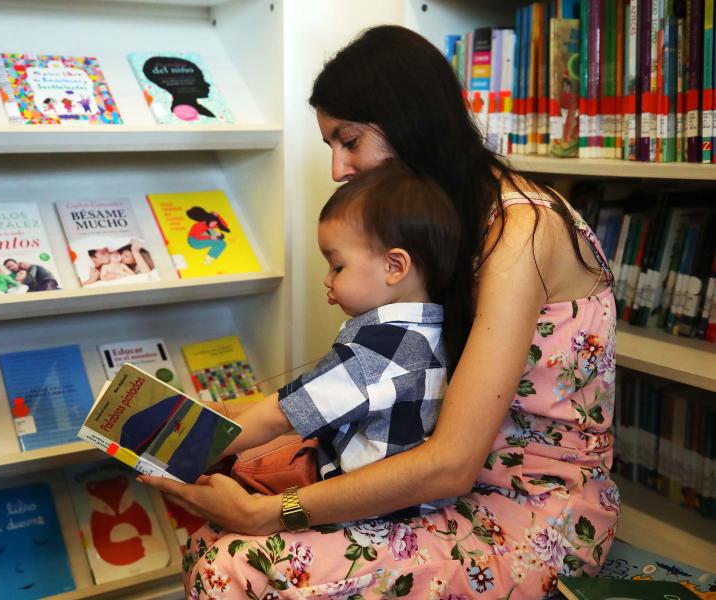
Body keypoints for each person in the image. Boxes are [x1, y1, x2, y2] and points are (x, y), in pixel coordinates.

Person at [141, 25, 618, 599]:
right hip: (440, 490)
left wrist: (275, 513)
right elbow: (371, 384)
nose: (339, 168)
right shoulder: (438, 222)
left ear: (411, 121)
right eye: (331, 146)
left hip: (527, 511)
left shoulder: (520, 230)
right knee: (219, 517)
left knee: (234, 562)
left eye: (350, 141)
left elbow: (451, 464)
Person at [221, 164, 459, 515]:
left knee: (229, 478)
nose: (327, 280)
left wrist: (201, 447)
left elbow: (279, 414)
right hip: (419, 502)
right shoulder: (436, 330)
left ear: (394, 266)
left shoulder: (377, 351)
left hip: (371, 508)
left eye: (337, 267)